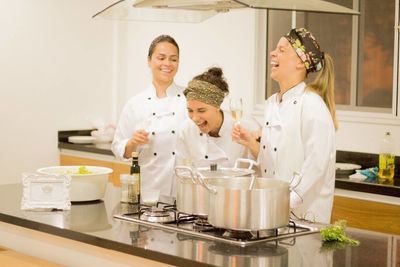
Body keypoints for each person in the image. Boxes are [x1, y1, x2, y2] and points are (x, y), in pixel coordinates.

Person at [232, 28, 337, 224]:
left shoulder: (312, 104)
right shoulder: (272, 103)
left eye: (281, 50)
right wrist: (254, 146)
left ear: (300, 61)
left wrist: (287, 200)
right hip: (274, 214)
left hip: (304, 219)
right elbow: (275, 162)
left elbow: (317, 164)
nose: (273, 53)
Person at [112, 35, 187, 197]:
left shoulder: (189, 99)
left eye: (173, 59)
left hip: (184, 189)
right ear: (149, 61)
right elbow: (118, 147)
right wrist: (132, 142)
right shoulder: (135, 103)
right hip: (149, 189)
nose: (167, 64)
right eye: (161, 58)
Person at [176, 67, 245, 168]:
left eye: (201, 110)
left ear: (217, 106)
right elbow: (183, 172)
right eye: (190, 110)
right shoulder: (186, 129)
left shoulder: (242, 129)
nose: (194, 118)